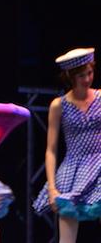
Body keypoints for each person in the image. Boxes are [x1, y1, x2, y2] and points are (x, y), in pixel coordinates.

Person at [33, 48, 101, 242]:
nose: (87, 79)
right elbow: (51, 150)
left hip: (99, 165)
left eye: (90, 73)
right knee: (67, 237)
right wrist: (53, 188)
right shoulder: (59, 105)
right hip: (73, 170)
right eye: (81, 75)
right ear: (70, 76)